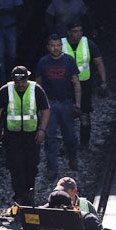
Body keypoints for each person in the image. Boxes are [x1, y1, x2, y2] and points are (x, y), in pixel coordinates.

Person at [0, 66, 50, 208]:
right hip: (12, 136)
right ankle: (19, 197)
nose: (21, 85)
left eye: (23, 81)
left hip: (32, 135)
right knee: (16, 167)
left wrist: (42, 130)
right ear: (13, 80)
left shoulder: (36, 90)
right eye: (18, 82)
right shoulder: (5, 90)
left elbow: (45, 110)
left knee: (31, 165)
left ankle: (29, 194)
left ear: (27, 78)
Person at [36, 34, 82, 179]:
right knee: (50, 137)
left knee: (70, 135)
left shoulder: (69, 60)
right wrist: (38, 105)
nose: (55, 48)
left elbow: (76, 83)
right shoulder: (43, 62)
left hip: (66, 103)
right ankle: (52, 168)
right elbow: (38, 83)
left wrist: (78, 104)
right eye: (52, 45)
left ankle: (72, 157)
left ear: (61, 46)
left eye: (58, 45)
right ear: (48, 47)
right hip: (49, 104)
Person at [62, 22, 107, 148]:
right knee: (65, 115)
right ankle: (68, 143)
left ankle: (84, 143)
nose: (78, 34)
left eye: (80, 31)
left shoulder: (88, 44)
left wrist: (103, 81)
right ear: (69, 32)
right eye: (75, 31)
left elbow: (99, 62)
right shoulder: (61, 45)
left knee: (84, 114)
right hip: (66, 85)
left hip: (84, 84)